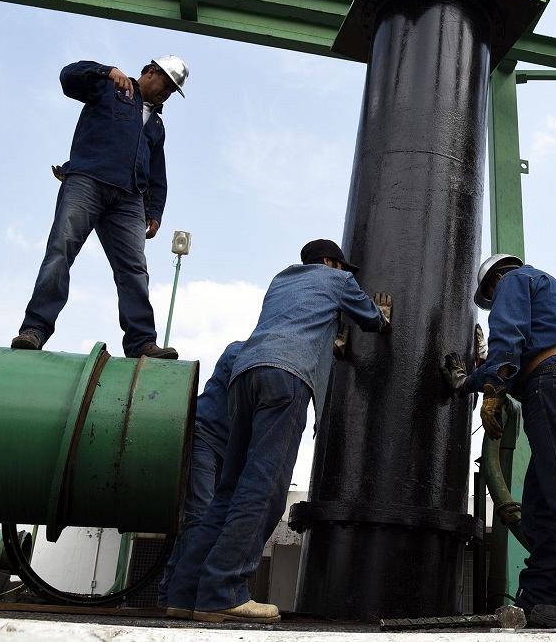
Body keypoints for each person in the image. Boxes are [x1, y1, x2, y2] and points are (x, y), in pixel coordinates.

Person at [165, 239, 392, 624]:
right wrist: (381, 313)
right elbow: (371, 319)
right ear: (328, 262)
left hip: (245, 376)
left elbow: (301, 321)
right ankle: (223, 591)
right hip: (286, 377)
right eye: (342, 267)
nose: (344, 274)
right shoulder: (335, 281)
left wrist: (331, 337)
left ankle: (186, 594)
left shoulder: (281, 280)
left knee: (228, 491)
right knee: (263, 488)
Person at [441, 253, 556, 629]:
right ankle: (539, 594)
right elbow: (512, 355)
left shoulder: (515, 281)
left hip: (551, 384)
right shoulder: (555, 306)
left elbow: (509, 340)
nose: (495, 298)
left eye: (491, 293)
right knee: (541, 502)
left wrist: (493, 389)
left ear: (495, 281)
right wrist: (467, 383)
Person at [11, 56, 189, 359]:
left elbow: (158, 173)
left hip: (130, 198)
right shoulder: (111, 89)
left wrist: (155, 212)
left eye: (174, 91)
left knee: (134, 269)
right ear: (149, 72)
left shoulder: (157, 125)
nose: (168, 94)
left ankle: (141, 343)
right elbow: (68, 77)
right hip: (88, 181)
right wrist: (107, 72)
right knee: (61, 249)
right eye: (167, 85)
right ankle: (35, 329)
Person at [156, 339, 241, 609]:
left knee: (199, 521)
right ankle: (182, 597)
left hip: (226, 453)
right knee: (200, 517)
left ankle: (167, 595)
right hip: (203, 437)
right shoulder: (237, 351)